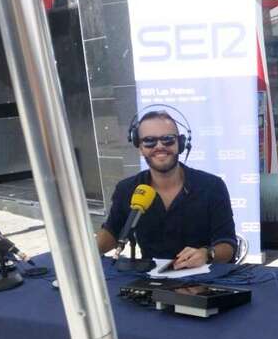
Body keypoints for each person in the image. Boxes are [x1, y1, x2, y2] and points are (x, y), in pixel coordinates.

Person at [96, 110, 236, 268]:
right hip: (149, 280)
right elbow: (112, 232)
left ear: (180, 144)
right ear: (140, 147)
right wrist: (86, 251)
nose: (160, 147)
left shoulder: (212, 186)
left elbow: (228, 245)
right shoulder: (127, 189)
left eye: (168, 139)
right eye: (149, 141)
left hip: (204, 280)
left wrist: (207, 254)